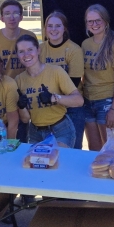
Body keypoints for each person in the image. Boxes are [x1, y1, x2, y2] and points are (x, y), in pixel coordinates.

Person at [0, 0, 35, 143]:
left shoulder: (29, 36)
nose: (12, 17)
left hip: (23, 90)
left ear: (22, 17)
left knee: (22, 134)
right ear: (2, 17)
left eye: (16, 13)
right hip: (0, 91)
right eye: (7, 14)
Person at [15, 34, 83, 147]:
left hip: (60, 129)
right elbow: (26, 119)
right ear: (17, 55)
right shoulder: (19, 80)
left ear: (38, 50)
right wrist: (21, 107)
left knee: (57, 160)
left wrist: (54, 98)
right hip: (35, 132)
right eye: (21, 51)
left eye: (30, 49)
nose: (26, 54)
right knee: (38, 163)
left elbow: (79, 100)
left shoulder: (56, 71)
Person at [81, 4, 114, 151]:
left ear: (105, 21)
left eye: (98, 20)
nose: (94, 25)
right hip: (88, 101)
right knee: (94, 150)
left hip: (108, 102)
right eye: (90, 21)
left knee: (110, 150)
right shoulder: (85, 44)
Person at [40, 11, 85, 149]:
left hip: (71, 108)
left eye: (58, 26)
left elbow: (73, 83)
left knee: (72, 151)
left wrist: (54, 97)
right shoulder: (40, 49)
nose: (53, 29)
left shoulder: (74, 49)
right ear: (45, 28)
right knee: (48, 151)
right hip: (47, 107)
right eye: (50, 26)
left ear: (64, 28)